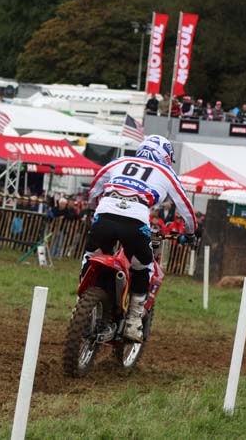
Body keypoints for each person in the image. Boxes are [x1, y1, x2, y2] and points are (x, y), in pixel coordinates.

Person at [84, 135, 196, 342]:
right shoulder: (166, 172)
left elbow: (95, 185)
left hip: (105, 211)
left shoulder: (120, 161)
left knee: (91, 256)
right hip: (135, 219)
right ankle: (133, 322)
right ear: (165, 156)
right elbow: (186, 209)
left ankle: (82, 302)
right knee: (142, 265)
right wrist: (191, 233)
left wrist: (91, 210)